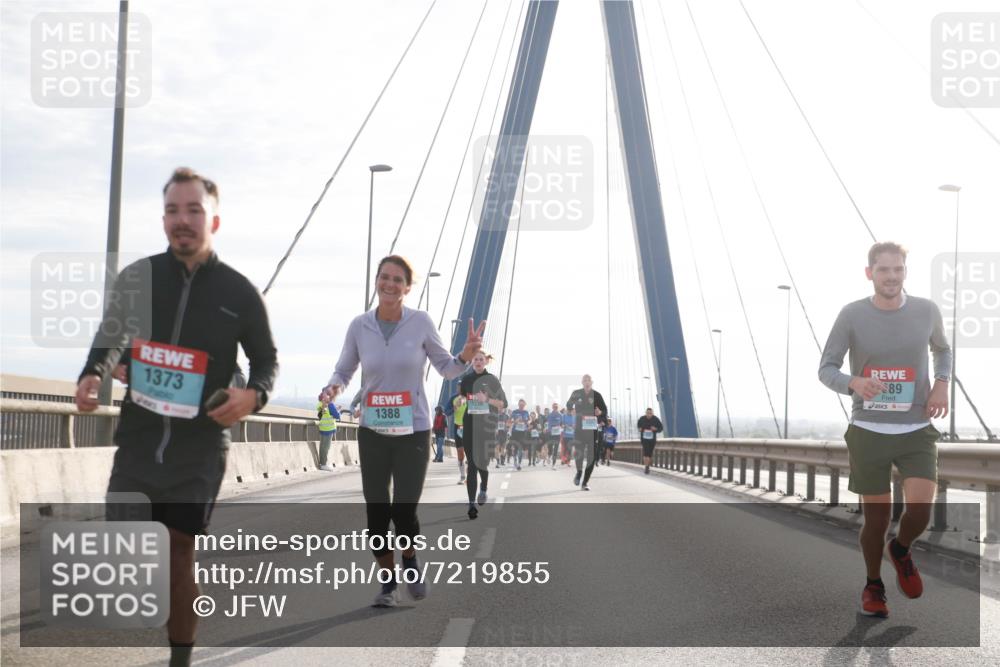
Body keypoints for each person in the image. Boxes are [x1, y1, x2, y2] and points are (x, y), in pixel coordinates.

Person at [74, 167, 278, 667]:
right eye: (172, 210)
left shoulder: (239, 292)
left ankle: (179, 659)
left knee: (179, 548)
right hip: (141, 438)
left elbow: (266, 361)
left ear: (214, 221)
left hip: (200, 447)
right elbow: (111, 338)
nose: (181, 220)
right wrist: (93, 374)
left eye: (193, 211)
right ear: (163, 218)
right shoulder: (139, 278)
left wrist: (253, 396)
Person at [320, 255, 484, 608]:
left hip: (413, 431)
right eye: (384, 277)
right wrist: (332, 388)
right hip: (374, 431)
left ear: (408, 288)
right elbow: (344, 371)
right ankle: (387, 584)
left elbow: (447, 369)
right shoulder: (359, 326)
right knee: (377, 515)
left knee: (404, 511)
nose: (390, 284)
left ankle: (409, 558)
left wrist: (466, 355)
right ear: (376, 281)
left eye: (398, 280)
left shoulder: (421, 322)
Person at [818, 241, 950, 619]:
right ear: (869, 273)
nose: (891, 277)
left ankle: (902, 548)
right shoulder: (851, 315)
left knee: (921, 510)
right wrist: (853, 383)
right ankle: (873, 585)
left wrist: (941, 382)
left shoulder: (926, 310)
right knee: (877, 519)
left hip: (916, 429)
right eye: (883, 270)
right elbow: (826, 368)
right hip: (869, 430)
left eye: (897, 270)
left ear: (905, 272)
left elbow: (943, 349)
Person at [459, 351, 507, 518]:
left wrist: (487, 400)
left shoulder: (492, 380)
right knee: (471, 465)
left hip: (487, 429)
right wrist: (461, 401)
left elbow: (503, 404)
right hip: (470, 427)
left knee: (482, 465)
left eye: (481, 359)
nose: (478, 361)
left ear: (486, 361)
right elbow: (462, 398)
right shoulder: (466, 380)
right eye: (475, 359)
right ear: (472, 362)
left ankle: (484, 489)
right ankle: (472, 504)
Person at [565, 375, 609, 491]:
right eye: (585, 380)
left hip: (592, 429)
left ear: (592, 382)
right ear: (582, 382)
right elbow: (568, 404)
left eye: (588, 380)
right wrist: (571, 409)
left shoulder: (597, 395)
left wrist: (600, 413)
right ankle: (579, 472)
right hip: (579, 428)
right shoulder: (576, 393)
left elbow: (605, 410)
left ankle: (585, 482)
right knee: (578, 453)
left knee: (592, 457)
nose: (587, 382)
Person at [637, 408, 664, 474]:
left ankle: (647, 466)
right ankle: (646, 467)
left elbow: (661, 428)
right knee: (646, 452)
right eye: (647, 413)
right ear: (645, 413)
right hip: (644, 439)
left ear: (652, 413)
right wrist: (640, 429)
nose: (649, 414)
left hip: (652, 440)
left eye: (650, 413)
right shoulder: (642, 419)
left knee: (649, 454)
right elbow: (638, 426)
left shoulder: (656, 419)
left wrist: (655, 429)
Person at [449, 393, 468, 483]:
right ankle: (462, 476)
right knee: (460, 453)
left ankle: (470, 476)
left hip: (469, 427)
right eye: (459, 386)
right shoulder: (454, 398)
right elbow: (446, 411)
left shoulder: (472, 396)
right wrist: (455, 407)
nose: (460, 388)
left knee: (470, 454)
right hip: (458, 427)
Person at [317, 400, 341, 471]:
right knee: (326, 447)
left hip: (322, 427)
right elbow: (337, 416)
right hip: (329, 428)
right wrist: (338, 410)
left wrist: (335, 409)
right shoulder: (330, 404)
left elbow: (320, 414)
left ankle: (322, 463)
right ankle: (324, 464)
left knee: (322, 447)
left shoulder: (320, 403)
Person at [510, 399, 530, 471]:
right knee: (515, 447)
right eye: (520, 404)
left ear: (524, 405)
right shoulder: (515, 412)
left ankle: (519, 464)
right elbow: (510, 421)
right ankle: (515, 459)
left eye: (523, 405)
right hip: (515, 432)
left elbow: (528, 421)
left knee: (520, 448)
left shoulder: (526, 412)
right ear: (518, 404)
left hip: (522, 432)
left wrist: (527, 424)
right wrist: (515, 421)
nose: (521, 406)